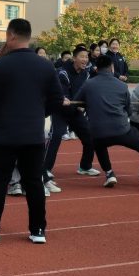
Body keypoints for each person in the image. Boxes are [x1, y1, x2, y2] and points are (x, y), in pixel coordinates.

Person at [0, 19, 70, 245]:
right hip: (34, 134)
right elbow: (58, 100)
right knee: (34, 181)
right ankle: (38, 230)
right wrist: (38, 114)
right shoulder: (45, 65)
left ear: (11, 35)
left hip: (6, 134)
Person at [74, 55, 139, 193]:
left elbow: (76, 102)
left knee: (98, 143)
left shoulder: (88, 84)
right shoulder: (121, 85)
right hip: (122, 130)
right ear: (112, 67)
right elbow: (129, 111)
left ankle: (109, 173)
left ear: (97, 68)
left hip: (99, 131)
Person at [42, 46, 99, 194]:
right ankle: (46, 169)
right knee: (56, 136)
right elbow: (63, 95)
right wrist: (71, 101)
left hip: (75, 111)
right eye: (82, 57)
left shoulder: (86, 73)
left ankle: (85, 167)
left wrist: (83, 104)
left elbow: (86, 92)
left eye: (87, 57)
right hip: (60, 110)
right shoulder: (62, 72)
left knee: (90, 137)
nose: (85, 60)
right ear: (74, 58)